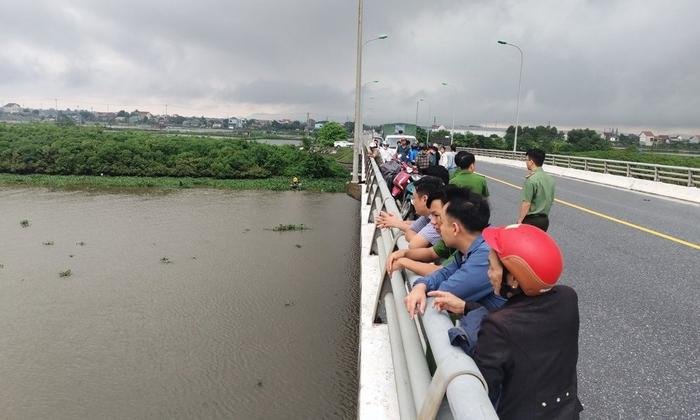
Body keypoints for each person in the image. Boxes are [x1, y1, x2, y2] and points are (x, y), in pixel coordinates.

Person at [430, 223, 582, 419]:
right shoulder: (568, 298)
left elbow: (485, 388)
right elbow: (525, 330)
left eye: (492, 266)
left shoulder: (497, 326)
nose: (489, 274)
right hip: (566, 411)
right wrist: (467, 306)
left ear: (513, 280)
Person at [404, 186, 501, 319]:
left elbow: (445, 292)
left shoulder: (486, 255)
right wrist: (421, 285)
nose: (437, 226)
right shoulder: (471, 246)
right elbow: (444, 272)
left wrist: (423, 286)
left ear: (455, 228)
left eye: (441, 222)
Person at [375, 176, 444, 249]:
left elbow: (414, 243)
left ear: (424, 199)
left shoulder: (439, 220)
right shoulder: (428, 216)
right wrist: (395, 222)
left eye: (413, 198)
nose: (413, 202)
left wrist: (397, 224)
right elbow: (413, 227)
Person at [518, 148, 555, 231]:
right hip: (544, 221)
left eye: (526, 160)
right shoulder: (550, 179)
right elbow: (551, 200)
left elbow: (526, 203)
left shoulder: (531, 180)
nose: (526, 162)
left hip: (531, 221)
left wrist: (520, 221)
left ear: (531, 162)